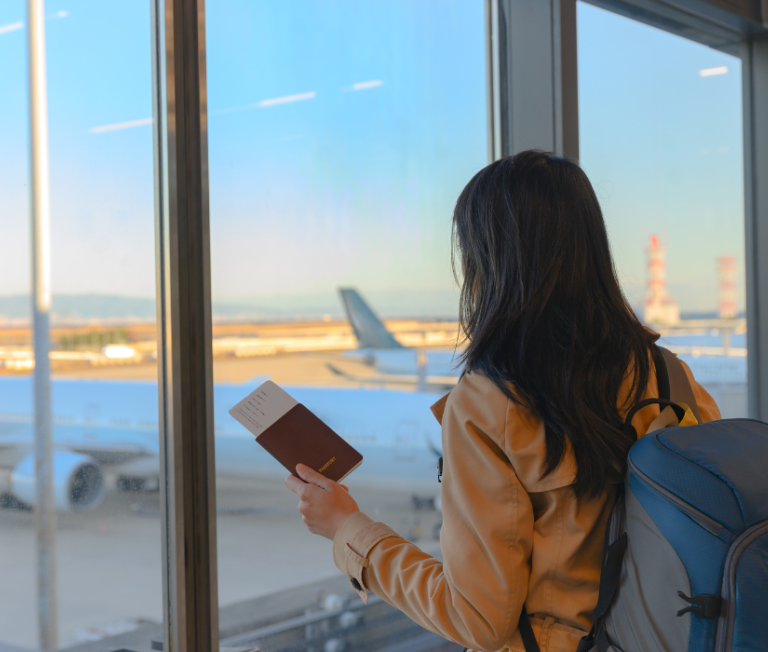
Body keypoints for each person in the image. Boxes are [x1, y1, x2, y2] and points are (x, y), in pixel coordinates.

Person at [285, 150, 720, 652]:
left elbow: (477, 619)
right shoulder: (669, 375)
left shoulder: (490, 404)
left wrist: (347, 528)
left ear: (488, 261)